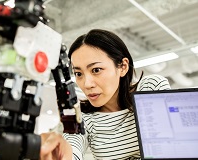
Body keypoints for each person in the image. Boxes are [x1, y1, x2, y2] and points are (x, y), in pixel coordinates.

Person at [43, 29, 171, 160]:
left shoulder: (150, 88)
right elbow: (72, 148)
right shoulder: (84, 118)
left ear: (123, 67)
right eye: (78, 73)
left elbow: (170, 143)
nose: (87, 84)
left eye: (96, 70)